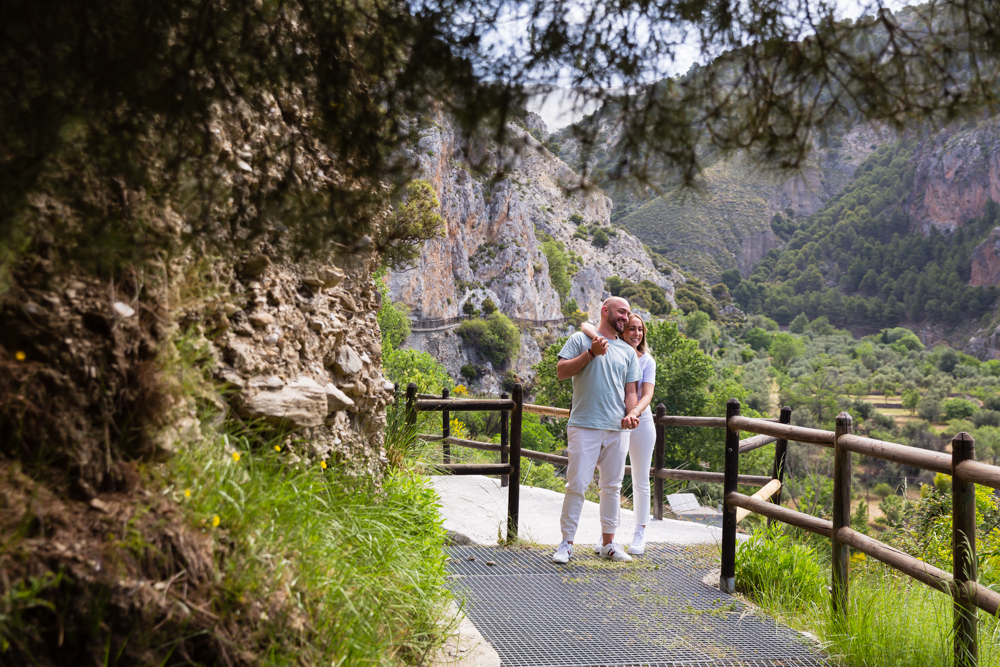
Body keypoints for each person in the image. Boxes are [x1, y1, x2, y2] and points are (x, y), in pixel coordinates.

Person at [552, 296, 641, 564]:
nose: (625, 317)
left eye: (628, 313)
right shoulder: (580, 341)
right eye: (621, 312)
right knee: (576, 485)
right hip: (584, 424)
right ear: (605, 311)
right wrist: (591, 354)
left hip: (617, 429)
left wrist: (633, 413)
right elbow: (561, 372)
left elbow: (631, 392)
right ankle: (566, 544)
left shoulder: (627, 352)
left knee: (612, 487)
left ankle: (609, 544)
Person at [581, 314, 656, 555]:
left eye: (640, 329)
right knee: (610, 481)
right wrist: (597, 338)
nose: (636, 333)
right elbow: (584, 325)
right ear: (622, 331)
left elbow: (646, 394)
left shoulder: (647, 361)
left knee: (640, 479)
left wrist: (634, 412)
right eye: (632, 328)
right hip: (614, 420)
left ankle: (640, 534)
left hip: (640, 422)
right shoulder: (611, 350)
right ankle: (608, 539)